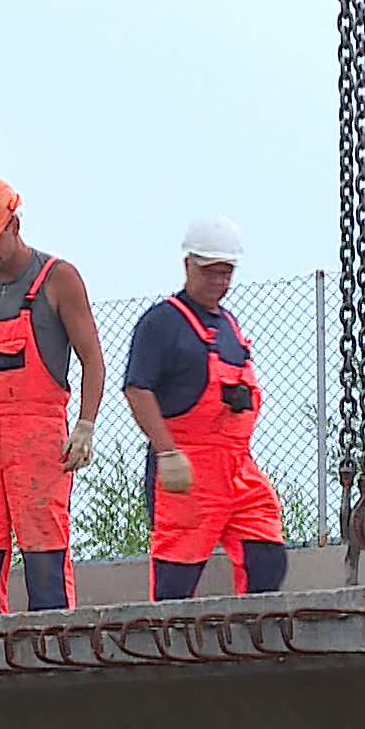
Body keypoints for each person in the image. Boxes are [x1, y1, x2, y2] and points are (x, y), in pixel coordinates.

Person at [0, 175, 105, 615]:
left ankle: (55, 657)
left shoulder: (59, 279)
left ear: (15, 224)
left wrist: (85, 426)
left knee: (44, 558)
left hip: (38, 439)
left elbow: (93, 360)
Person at [122, 217, 287, 601]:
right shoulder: (162, 322)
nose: (219, 281)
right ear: (188, 266)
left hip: (237, 467)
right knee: (177, 580)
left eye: (226, 272)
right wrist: (167, 451)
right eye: (211, 272)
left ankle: (255, 640)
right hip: (187, 471)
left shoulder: (229, 325)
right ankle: (169, 649)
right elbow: (137, 389)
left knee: (267, 556)